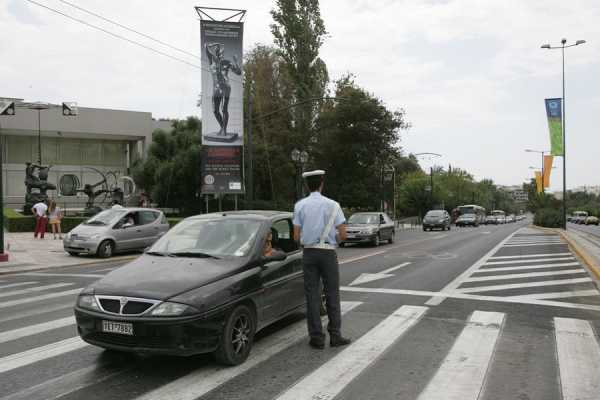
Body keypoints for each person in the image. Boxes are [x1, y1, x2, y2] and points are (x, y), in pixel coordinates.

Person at [293, 170, 350, 349]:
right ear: (322, 183)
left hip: (309, 253)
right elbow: (343, 234)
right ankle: (335, 336)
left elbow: (296, 236)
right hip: (327, 253)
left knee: (312, 295)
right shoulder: (333, 205)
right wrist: (334, 241)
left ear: (306, 185)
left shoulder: (300, 205)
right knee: (332, 294)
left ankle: (316, 338)